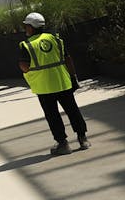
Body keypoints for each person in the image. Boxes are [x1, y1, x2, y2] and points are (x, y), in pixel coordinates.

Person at [18, 12, 89, 156]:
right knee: (73, 110)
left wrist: (29, 71)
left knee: (52, 115)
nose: (25, 29)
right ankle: (83, 139)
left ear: (31, 27)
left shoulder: (27, 45)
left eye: (26, 26)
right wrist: (73, 77)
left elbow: (24, 66)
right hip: (63, 82)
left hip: (44, 87)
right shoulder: (56, 39)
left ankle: (63, 144)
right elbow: (68, 59)